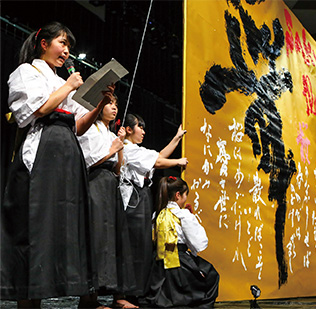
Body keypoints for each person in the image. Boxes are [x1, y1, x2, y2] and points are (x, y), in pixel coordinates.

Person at [1, 22, 114, 308]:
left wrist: (99, 104)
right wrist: (69, 86)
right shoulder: (27, 71)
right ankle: (29, 298)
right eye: (62, 43)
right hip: (42, 150)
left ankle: (71, 288)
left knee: (67, 222)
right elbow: (35, 110)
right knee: (36, 222)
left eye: (68, 47)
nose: (65, 51)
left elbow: (78, 125)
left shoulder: (61, 81)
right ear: (43, 43)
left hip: (67, 150)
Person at [119, 114, 189, 303]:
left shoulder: (137, 150)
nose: (143, 131)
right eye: (139, 127)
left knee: (142, 245)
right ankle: (127, 293)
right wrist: (178, 162)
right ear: (128, 129)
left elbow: (157, 157)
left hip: (142, 198)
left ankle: (138, 291)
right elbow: (158, 162)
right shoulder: (127, 148)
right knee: (133, 246)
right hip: (132, 201)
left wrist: (176, 138)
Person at [77, 95, 137, 308]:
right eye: (110, 103)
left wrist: (119, 149)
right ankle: (88, 299)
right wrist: (111, 150)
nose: (114, 108)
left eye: (116, 104)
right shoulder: (89, 130)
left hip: (110, 183)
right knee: (96, 237)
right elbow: (86, 160)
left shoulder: (110, 133)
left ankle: (118, 295)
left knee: (115, 237)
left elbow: (119, 168)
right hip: (95, 182)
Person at [146, 176, 219, 307]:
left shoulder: (157, 214)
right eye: (185, 195)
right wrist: (190, 217)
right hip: (180, 264)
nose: (186, 199)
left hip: (158, 265)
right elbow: (198, 243)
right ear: (178, 195)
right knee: (212, 275)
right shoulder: (183, 215)